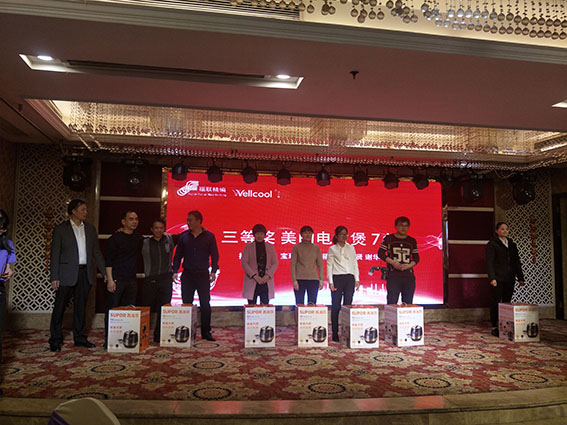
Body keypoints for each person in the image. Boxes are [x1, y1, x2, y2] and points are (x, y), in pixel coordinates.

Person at [48, 200, 106, 352]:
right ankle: (55, 339)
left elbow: (96, 252)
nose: (86, 212)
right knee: (59, 307)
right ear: (73, 211)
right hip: (66, 274)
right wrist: (54, 276)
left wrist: (104, 272)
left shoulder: (90, 229)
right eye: (83, 209)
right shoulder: (61, 229)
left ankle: (79, 338)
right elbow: (55, 254)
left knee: (81, 308)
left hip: (85, 273)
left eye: (86, 209)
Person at [173, 210, 219, 341]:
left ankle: (206, 332)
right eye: (187, 220)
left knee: (205, 304)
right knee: (187, 303)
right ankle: (186, 331)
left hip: (203, 274)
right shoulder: (183, 237)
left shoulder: (209, 236)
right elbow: (178, 255)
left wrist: (213, 271)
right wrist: (175, 270)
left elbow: (215, 255)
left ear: (199, 221)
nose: (188, 222)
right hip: (187, 274)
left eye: (190, 220)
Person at [104, 210, 144, 347]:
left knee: (130, 310)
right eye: (131, 219)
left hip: (132, 279)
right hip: (117, 279)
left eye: (136, 219)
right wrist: (110, 279)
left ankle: (128, 339)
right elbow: (108, 261)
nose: (134, 222)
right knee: (112, 309)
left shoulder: (138, 238)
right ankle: (109, 340)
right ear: (123, 222)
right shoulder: (114, 239)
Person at [486, 222, 525, 337]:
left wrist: (520, 278)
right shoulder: (492, 244)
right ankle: (494, 325)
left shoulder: (512, 244)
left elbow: (516, 262)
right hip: (497, 278)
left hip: (509, 277)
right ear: (497, 231)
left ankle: (505, 326)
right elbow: (489, 262)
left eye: (506, 229)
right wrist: (492, 277)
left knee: (507, 302)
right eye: (502, 229)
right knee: (496, 301)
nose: (505, 231)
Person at [141, 218, 177, 343]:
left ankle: (158, 335)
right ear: (151, 229)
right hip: (150, 279)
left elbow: (186, 233)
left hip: (166, 279)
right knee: (146, 309)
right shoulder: (144, 242)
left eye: (161, 228)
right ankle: (143, 336)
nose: (159, 230)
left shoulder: (170, 239)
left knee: (164, 308)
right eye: (156, 228)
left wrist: (202, 228)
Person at [327, 225, 360, 342]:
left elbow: (355, 263)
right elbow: (329, 266)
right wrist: (330, 282)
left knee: (347, 306)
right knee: (335, 307)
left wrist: (357, 279)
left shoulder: (351, 248)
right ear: (336, 236)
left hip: (349, 279)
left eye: (346, 234)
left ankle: (347, 333)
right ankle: (335, 333)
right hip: (337, 278)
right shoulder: (332, 249)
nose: (344, 236)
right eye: (341, 234)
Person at [378, 216, 420, 305]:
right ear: (396, 226)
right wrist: (393, 263)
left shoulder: (411, 241)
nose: (403, 228)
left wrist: (409, 265)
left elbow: (416, 257)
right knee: (392, 302)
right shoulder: (389, 238)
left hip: (408, 275)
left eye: (406, 226)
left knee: (408, 303)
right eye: (401, 225)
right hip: (393, 275)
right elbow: (380, 253)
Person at [241, 224, 279, 304]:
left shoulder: (270, 247)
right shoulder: (248, 247)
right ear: (254, 235)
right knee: (251, 307)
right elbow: (244, 263)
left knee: (265, 306)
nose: (259, 236)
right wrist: (254, 276)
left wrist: (267, 276)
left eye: (261, 234)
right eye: (257, 233)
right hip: (252, 280)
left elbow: (275, 263)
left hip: (266, 281)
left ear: (265, 235)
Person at [0, 209, 16, 397]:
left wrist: (9, 271)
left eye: (4, 228)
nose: (2, 231)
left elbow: (9, 266)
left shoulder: (6, 243)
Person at [291, 225, 324, 305]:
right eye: (305, 233)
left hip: (313, 279)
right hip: (299, 279)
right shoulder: (296, 248)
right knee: (299, 304)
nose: (308, 235)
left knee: (312, 304)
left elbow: (320, 265)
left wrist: (321, 279)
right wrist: (294, 280)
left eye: (309, 233)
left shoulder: (316, 248)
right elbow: (293, 265)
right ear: (301, 235)